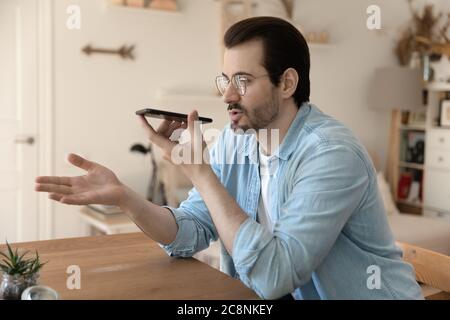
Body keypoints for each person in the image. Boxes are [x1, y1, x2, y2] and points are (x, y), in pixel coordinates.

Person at [35, 17, 423, 300]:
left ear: (286, 83)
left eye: (243, 81)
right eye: (225, 80)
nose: (227, 97)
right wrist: (124, 197)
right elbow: (190, 232)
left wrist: (203, 175)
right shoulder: (239, 142)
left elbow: (274, 276)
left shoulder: (331, 155)